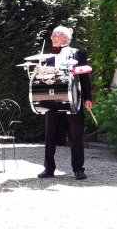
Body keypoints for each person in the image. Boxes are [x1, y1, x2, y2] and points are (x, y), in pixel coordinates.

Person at [37, 25, 92, 180]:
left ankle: (78, 169)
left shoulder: (78, 53)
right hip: (52, 100)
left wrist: (88, 97)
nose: (52, 37)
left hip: (73, 99)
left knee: (76, 135)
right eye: (52, 35)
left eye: (56, 35)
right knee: (50, 135)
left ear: (65, 38)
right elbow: (42, 80)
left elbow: (84, 77)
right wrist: (38, 72)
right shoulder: (47, 57)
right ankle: (49, 169)